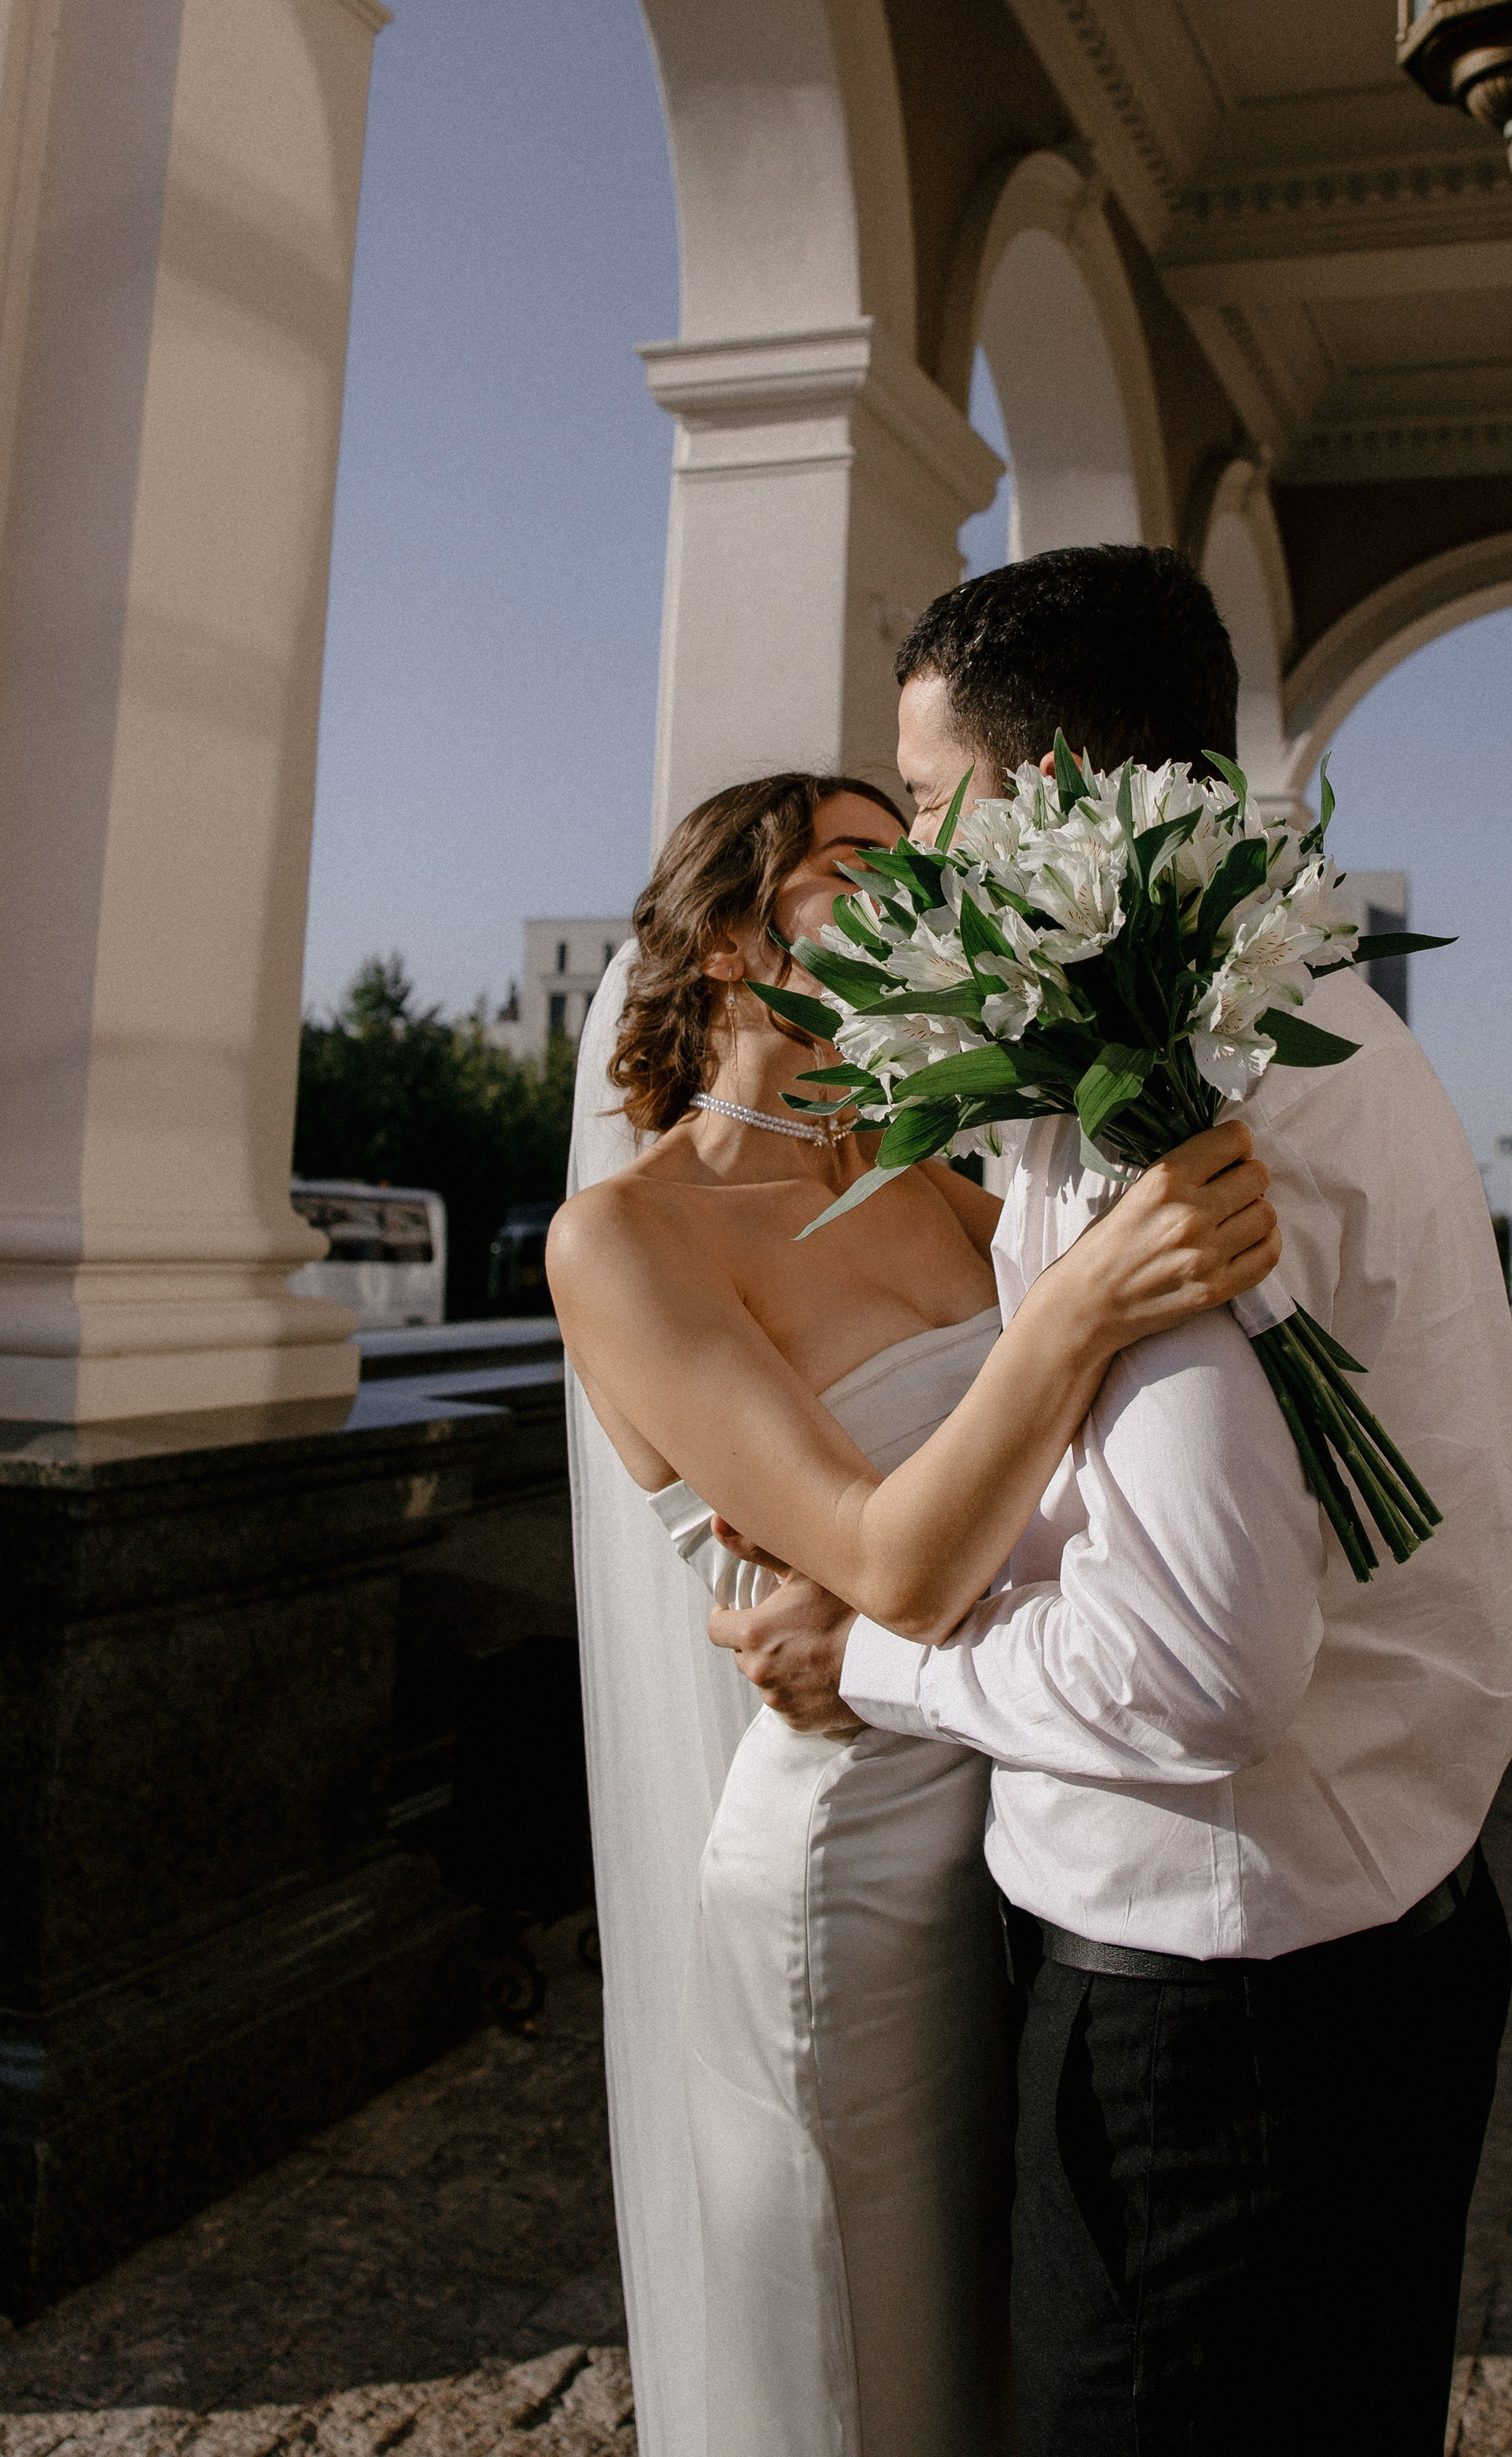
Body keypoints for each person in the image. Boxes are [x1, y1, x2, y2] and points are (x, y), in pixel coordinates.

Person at [713, 547, 1512, 2454]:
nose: (913, 858)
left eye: (927, 802)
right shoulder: (1333, 1017)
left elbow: (1203, 1667)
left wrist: (884, 1666)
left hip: (1219, 2018)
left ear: (1050, 791)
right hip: (1390, 1933)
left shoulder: (1149, 1095)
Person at [546, 767, 1280, 2457]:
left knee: (1013, 2338)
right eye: (854, 868)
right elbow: (889, 1563)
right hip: (855, 1867)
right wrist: (1080, 1305)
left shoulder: (939, 1177)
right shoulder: (627, 1235)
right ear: (730, 935)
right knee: (870, 2361)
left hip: (1025, 1815)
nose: (910, 895)